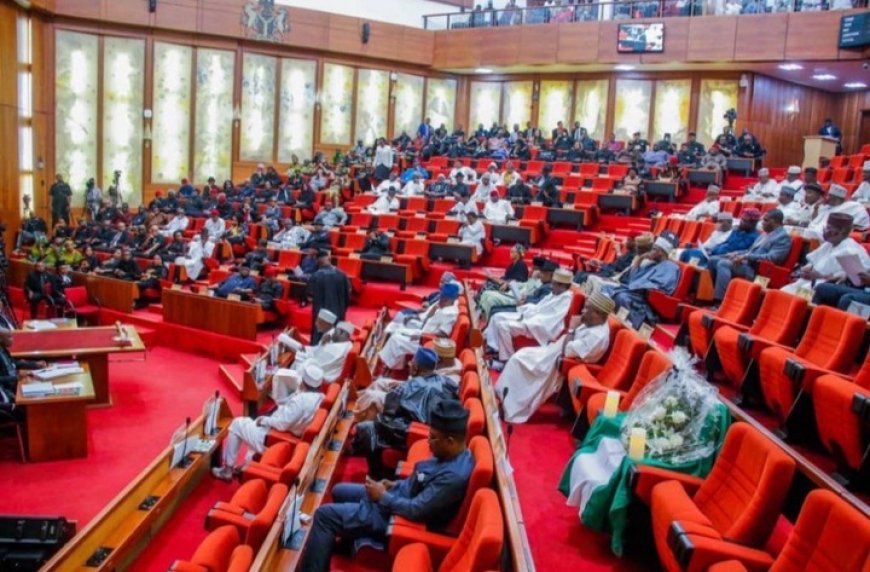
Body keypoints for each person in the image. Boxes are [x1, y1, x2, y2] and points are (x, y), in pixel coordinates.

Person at [301, 399, 472, 572]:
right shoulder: (451, 453)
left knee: (324, 516)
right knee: (339, 491)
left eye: (433, 437)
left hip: (395, 516)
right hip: (397, 497)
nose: (428, 441)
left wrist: (382, 496)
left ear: (450, 441)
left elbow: (416, 510)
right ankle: (344, 545)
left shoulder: (453, 477)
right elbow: (420, 482)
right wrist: (394, 484)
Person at [495, 291, 614, 423]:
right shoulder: (594, 323)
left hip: (559, 361)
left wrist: (572, 329)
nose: (583, 312)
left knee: (518, 361)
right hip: (553, 351)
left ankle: (511, 408)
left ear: (598, 314)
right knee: (519, 356)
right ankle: (504, 397)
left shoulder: (597, 336)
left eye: (587, 309)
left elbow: (568, 351)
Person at [212, 364, 325, 481]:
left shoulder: (301, 401)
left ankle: (227, 470)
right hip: (291, 435)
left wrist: (265, 420)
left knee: (237, 424)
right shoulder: (322, 397)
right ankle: (246, 463)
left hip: (276, 437)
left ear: (303, 383)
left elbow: (281, 424)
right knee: (250, 423)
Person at [484, 268, 575, 367]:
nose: (551, 286)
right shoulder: (556, 294)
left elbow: (550, 319)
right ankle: (495, 348)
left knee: (503, 326)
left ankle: (506, 361)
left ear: (562, 285)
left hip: (540, 327)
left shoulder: (566, 299)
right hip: (532, 319)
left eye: (554, 284)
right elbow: (538, 307)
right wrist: (524, 311)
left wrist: (526, 320)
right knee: (497, 316)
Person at [707, 209, 792, 302]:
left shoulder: (783, 237)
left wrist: (746, 256)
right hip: (747, 263)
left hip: (758, 269)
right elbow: (750, 250)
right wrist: (736, 253)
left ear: (776, 221)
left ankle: (720, 300)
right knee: (713, 259)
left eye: (766, 220)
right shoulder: (765, 234)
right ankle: (709, 294)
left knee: (723, 264)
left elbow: (772, 258)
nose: (762, 223)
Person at [782, 213, 870, 298]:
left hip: (824, 287)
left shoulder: (851, 250)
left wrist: (819, 276)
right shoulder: (829, 244)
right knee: (783, 291)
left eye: (828, 228)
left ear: (841, 231)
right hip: (809, 282)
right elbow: (813, 263)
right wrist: (807, 269)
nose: (824, 231)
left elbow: (845, 280)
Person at [379, 283, 460, 370]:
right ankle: (394, 365)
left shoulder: (449, 313)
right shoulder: (445, 307)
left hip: (425, 341)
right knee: (397, 331)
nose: (439, 300)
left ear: (446, 300)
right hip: (423, 333)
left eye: (441, 298)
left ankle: (384, 365)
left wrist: (422, 336)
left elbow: (443, 334)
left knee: (396, 339)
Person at [604, 237, 681, 328]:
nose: (650, 252)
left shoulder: (670, 267)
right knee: (606, 288)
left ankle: (630, 324)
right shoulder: (651, 263)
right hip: (634, 293)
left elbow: (659, 287)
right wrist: (640, 259)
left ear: (661, 252)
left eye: (654, 249)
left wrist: (634, 287)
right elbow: (632, 279)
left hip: (645, 300)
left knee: (621, 297)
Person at [307, 250, 351, 344]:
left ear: (317, 262)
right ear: (329, 258)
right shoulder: (342, 274)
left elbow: (310, 298)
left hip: (321, 318)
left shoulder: (315, 276)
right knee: (337, 341)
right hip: (339, 314)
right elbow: (348, 295)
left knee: (319, 343)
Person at [0, 328, 47, 412]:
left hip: (16, 384)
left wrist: (35, 365)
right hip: (10, 391)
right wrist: (16, 377)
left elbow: (14, 363)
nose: (12, 339)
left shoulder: (3, 350)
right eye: (9, 337)